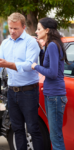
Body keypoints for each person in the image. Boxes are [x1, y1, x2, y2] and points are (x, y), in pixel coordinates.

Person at [0, 12, 44, 150]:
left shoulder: (31, 42)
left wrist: (7, 64)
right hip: (11, 91)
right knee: (16, 128)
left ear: (24, 27)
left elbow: (28, 65)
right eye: (10, 28)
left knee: (33, 128)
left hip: (28, 92)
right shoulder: (5, 43)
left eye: (16, 28)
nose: (12, 31)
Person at [31, 17, 68, 150]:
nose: (36, 31)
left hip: (55, 96)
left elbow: (52, 73)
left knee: (55, 136)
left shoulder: (53, 45)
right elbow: (49, 66)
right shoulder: (52, 44)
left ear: (47, 30)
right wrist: (42, 48)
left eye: (39, 29)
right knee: (55, 135)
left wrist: (35, 66)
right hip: (53, 95)